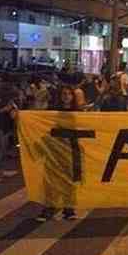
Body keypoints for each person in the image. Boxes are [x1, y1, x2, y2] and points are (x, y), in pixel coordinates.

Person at [35, 86, 78, 222]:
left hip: (70, 150)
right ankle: (49, 208)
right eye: (63, 93)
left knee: (68, 181)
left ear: (72, 97)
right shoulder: (52, 112)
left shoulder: (78, 113)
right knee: (51, 180)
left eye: (68, 94)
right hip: (53, 150)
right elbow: (40, 123)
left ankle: (68, 209)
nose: (66, 96)